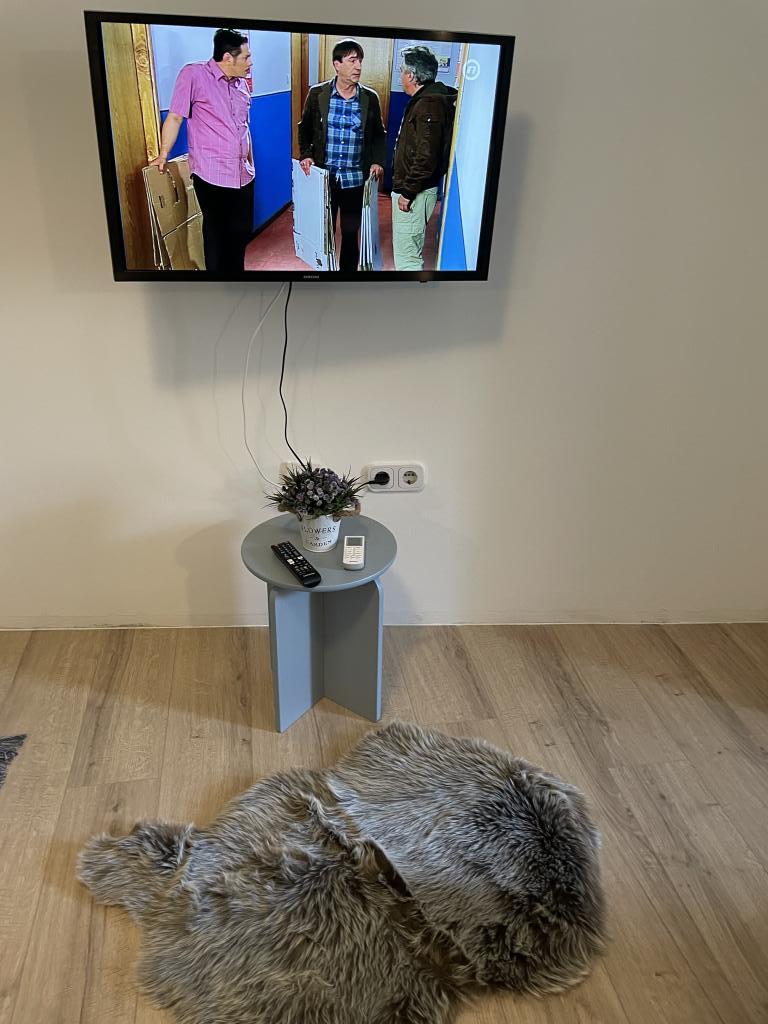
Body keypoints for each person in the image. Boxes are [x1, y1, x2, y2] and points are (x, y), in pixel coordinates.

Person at [151, 28, 254, 273]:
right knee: (217, 236)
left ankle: (237, 280)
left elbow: (244, 127)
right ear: (228, 58)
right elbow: (175, 117)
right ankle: (217, 286)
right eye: (246, 57)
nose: (250, 62)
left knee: (241, 233)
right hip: (211, 174)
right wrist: (163, 154)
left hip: (243, 174)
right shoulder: (193, 75)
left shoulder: (241, 84)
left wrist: (250, 162)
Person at [298, 40, 386, 272]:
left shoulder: (369, 98)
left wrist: (377, 161)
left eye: (360, 61)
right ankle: (323, 276)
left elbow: (379, 135)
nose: (358, 67)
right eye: (352, 61)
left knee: (350, 232)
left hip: (354, 180)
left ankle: (347, 278)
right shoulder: (318, 94)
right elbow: (304, 129)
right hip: (324, 179)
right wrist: (306, 155)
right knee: (321, 233)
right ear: (337, 64)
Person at [391, 46, 457, 271]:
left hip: (415, 193)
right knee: (408, 252)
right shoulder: (427, 100)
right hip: (416, 190)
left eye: (402, 71)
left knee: (407, 259)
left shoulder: (428, 104)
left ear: (411, 76)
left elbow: (426, 155)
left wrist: (408, 192)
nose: (400, 76)